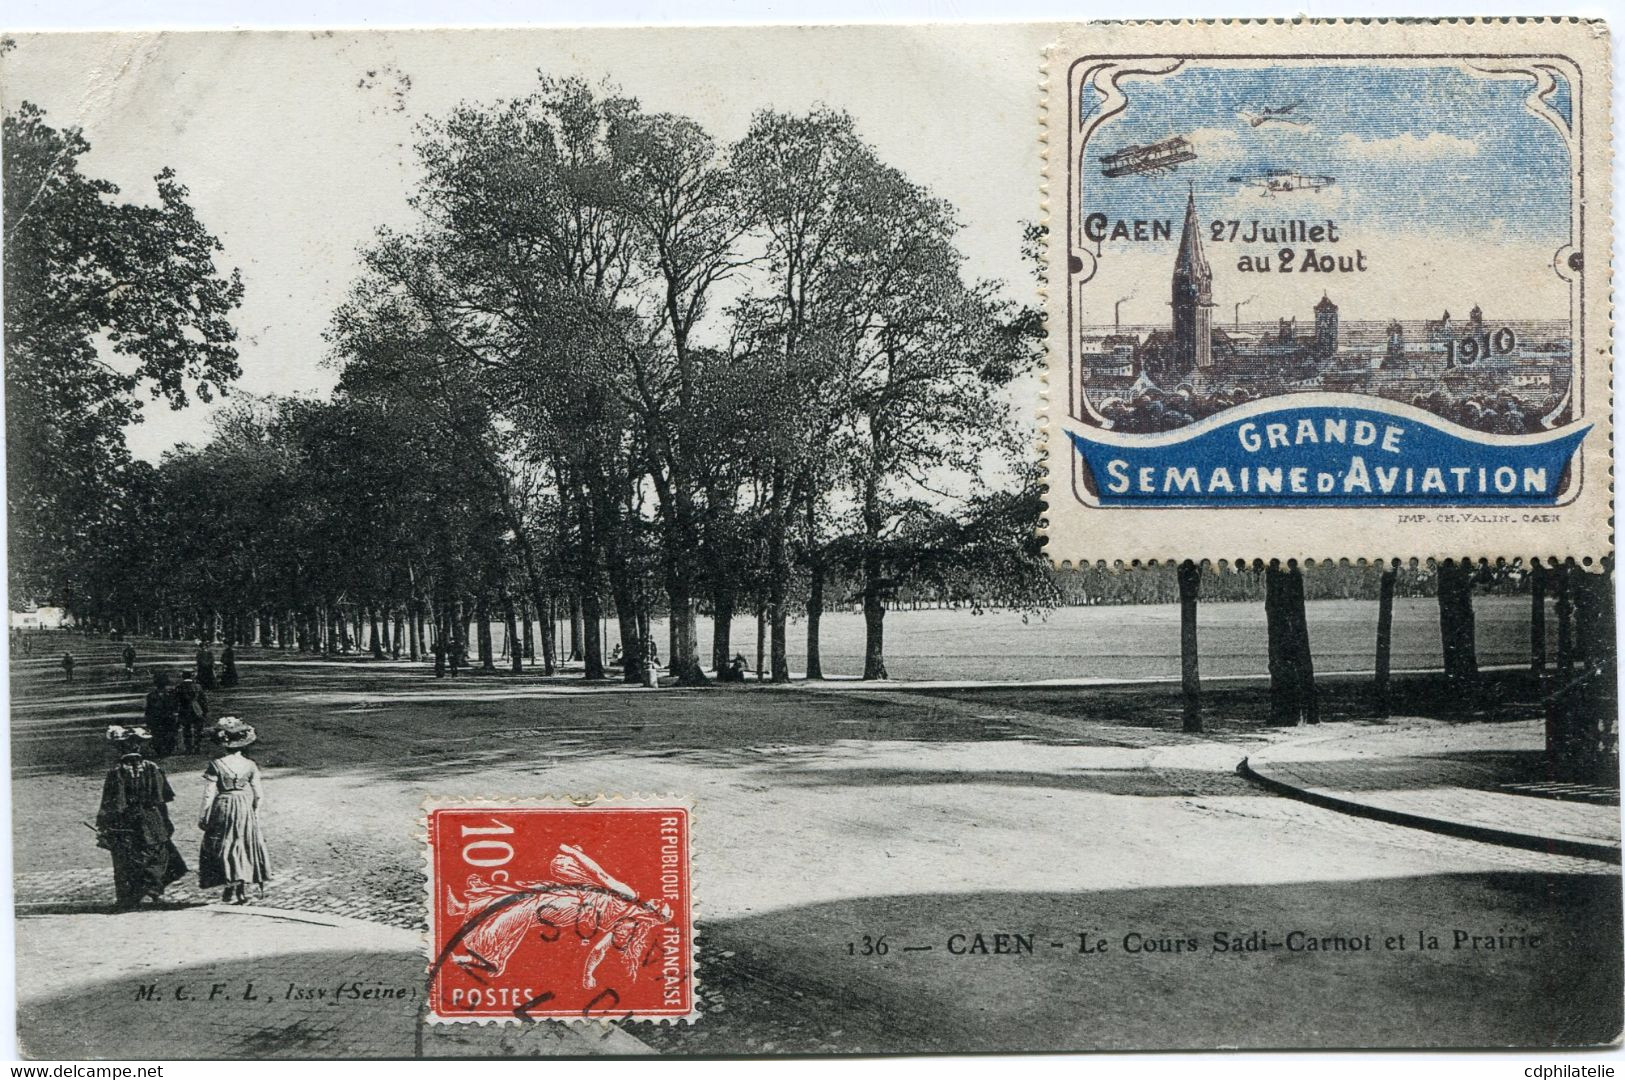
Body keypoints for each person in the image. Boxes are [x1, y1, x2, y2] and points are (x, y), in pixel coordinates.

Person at [96, 726, 188, 910]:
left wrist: (104, 825)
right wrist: (165, 821)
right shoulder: (153, 768)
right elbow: (162, 799)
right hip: (151, 818)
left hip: (126, 820)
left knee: (126, 857)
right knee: (157, 854)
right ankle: (154, 890)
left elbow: (111, 803)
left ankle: (129, 897)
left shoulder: (116, 772)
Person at [197, 717, 271, 904]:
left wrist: (204, 815)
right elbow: (259, 794)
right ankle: (241, 890)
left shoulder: (216, 764)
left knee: (224, 844)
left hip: (222, 805)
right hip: (243, 806)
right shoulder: (250, 765)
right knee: (242, 844)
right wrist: (254, 812)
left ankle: (229, 884)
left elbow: (208, 794)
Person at [144, 673, 179, 757]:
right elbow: (175, 707)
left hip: (160, 718)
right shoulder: (170, 695)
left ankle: (163, 749)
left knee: (160, 735)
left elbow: (148, 710)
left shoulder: (151, 695)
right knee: (165, 735)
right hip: (165, 718)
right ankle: (164, 749)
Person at [174, 672, 209, 754]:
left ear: (183, 677)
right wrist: (205, 711)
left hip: (185, 710)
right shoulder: (198, 686)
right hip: (197, 710)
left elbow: (176, 701)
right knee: (198, 730)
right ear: (191, 676)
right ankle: (197, 747)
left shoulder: (179, 687)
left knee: (186, 730)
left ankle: (188, 748)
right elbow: (203, 700)